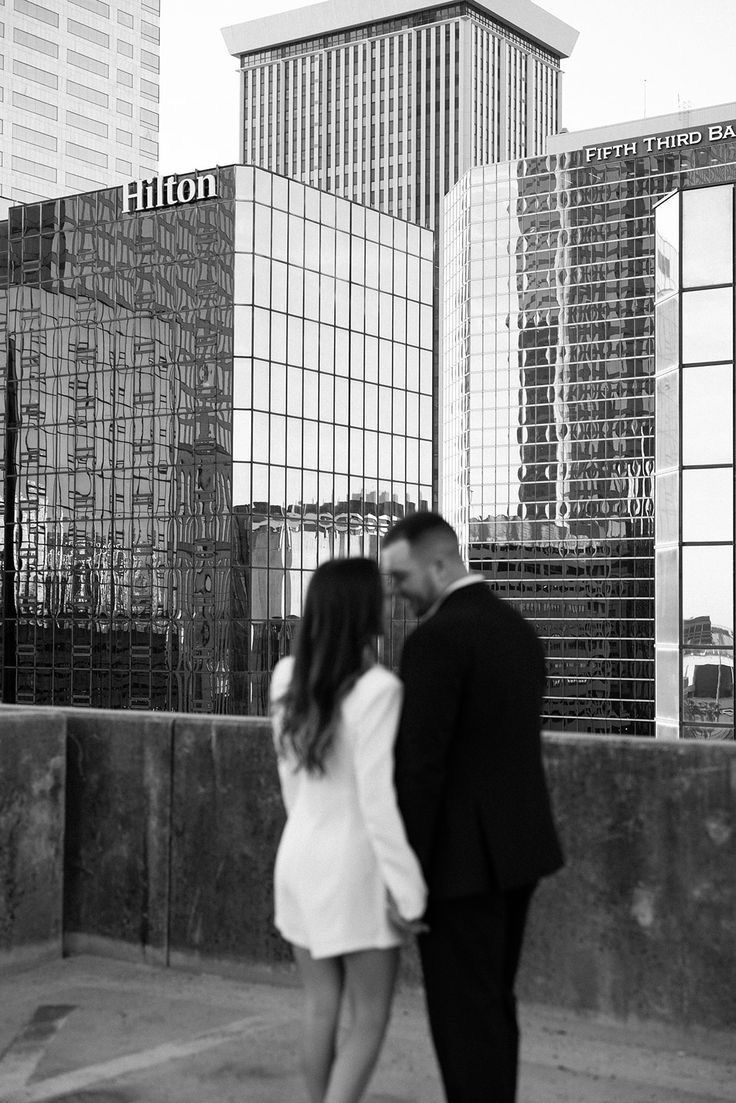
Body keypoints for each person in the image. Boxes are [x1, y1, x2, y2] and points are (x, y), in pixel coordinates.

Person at [381, 512, 564, 1103]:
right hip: (520, 852)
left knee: (464, 1021)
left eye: (402, 576)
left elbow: (421, 770)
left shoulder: (434, 641)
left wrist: (406, 876)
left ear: (439, 564)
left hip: (461, 866)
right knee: (495, 1006)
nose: (396, 592)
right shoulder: (517, 630)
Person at [269, 557, 427, 1103]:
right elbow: (378, 804)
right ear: (365, 611)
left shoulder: (286, 676)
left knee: (319, 1006)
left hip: (299, 854)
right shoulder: (380, 689)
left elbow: (291, 785)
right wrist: (410, 892)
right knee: (370, 1017)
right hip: (354, 866)